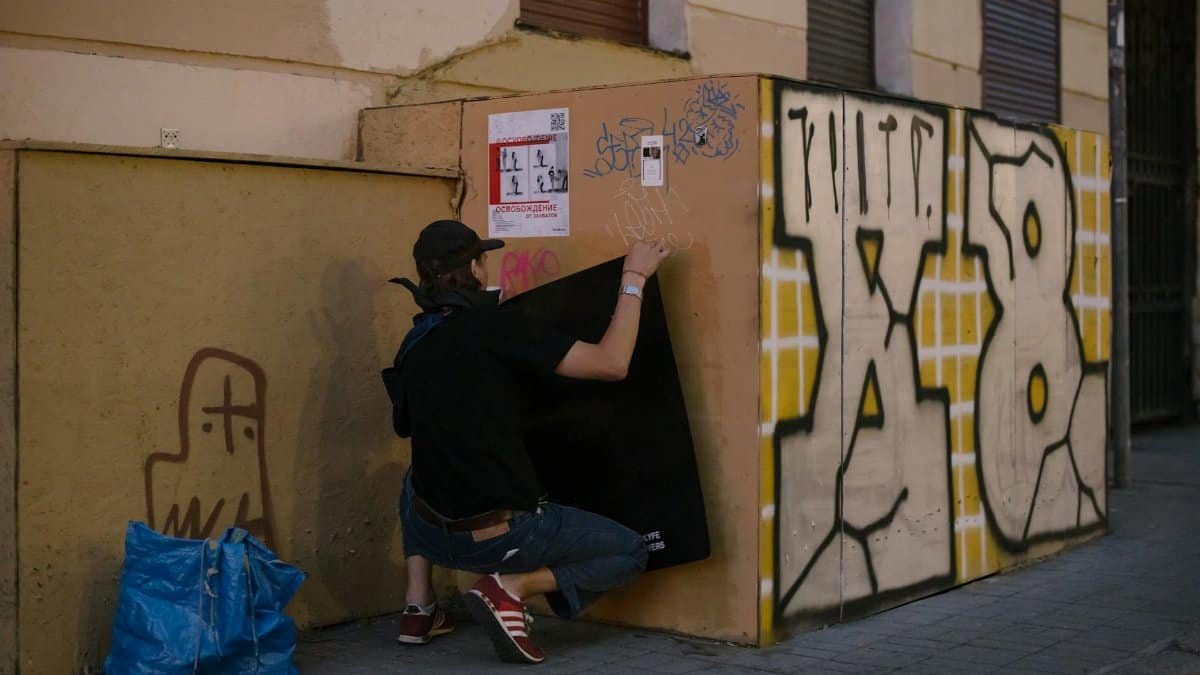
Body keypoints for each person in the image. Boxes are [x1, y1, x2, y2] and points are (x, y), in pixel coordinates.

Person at [381, 219, 671, 664]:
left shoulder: (415, 341)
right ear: (477, 268)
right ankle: (509, 588)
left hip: (433, 533)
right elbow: (611, 363)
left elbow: (410, 423)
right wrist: (634, 278)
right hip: (501, 540)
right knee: (630, 551)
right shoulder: (500, 328)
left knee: (413, 472)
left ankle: (418, 607)